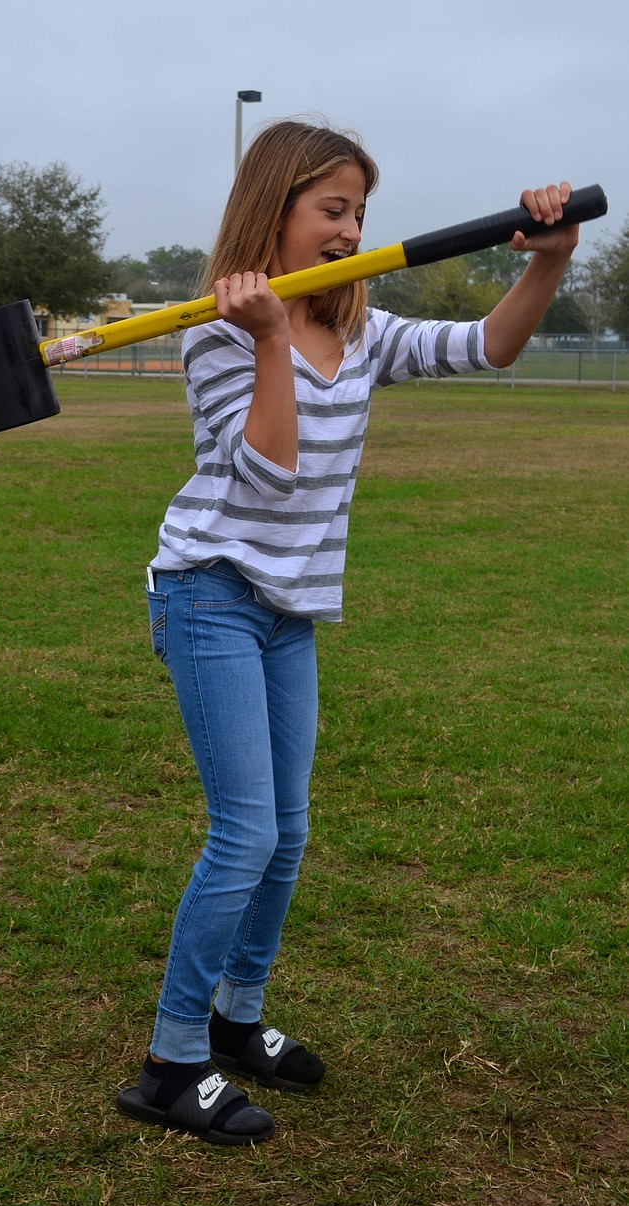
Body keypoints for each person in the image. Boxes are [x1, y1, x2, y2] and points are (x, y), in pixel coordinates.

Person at [115, 119, 579, 1146]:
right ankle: (169, 1057)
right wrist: (272, 336)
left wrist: (544, 264)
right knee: (243, 832)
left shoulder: (365, 329)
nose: (350, 228)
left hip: (289, 612)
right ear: (271, 212)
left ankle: (238, 1017)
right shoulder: (214, 333)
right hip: (209, 594)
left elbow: (489, 345)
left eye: (360, 212)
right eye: (332, 208)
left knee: (288, 836)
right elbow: (270, 469)